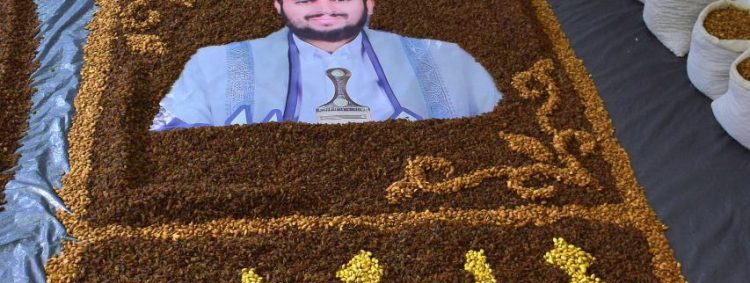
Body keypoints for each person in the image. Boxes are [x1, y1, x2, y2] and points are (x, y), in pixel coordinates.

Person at [151, 0, 502, 130]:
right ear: (277, 5)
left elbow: (503, 131)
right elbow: (175, 150)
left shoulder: (445, 59)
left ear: (370, 2)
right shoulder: (217, 65)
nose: (325, 8)